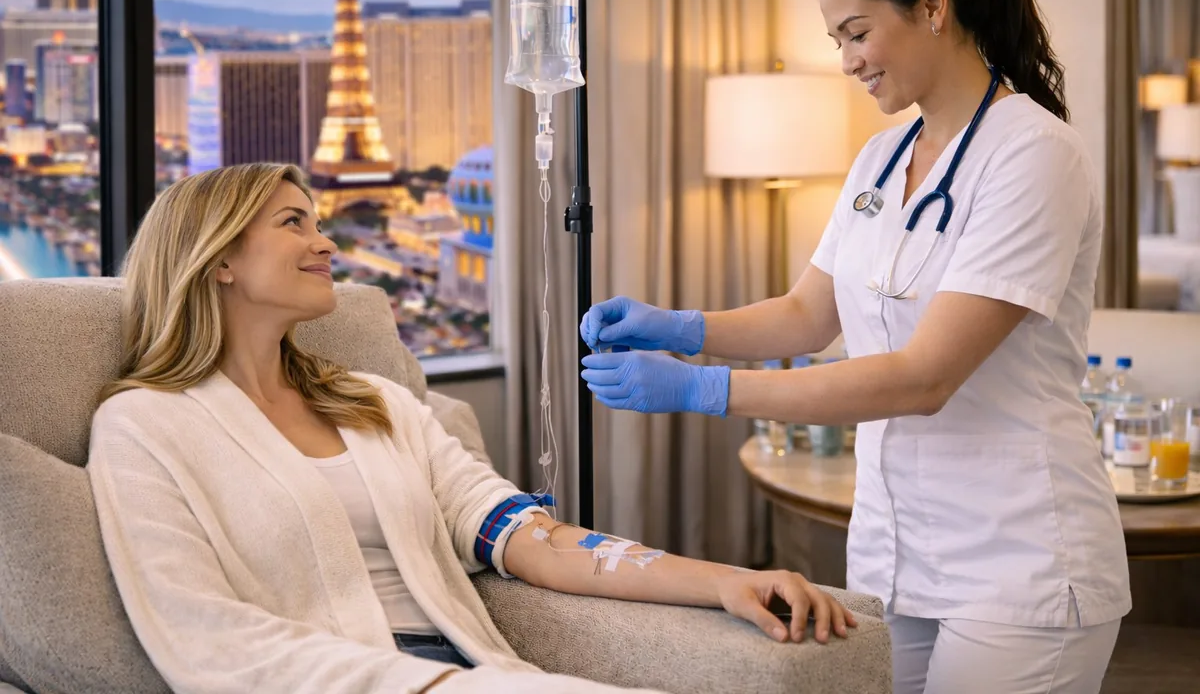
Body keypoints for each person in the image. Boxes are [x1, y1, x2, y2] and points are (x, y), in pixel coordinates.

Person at [579, 0, 1130, 694]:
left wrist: (704, 388)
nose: (846, 62)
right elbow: (809, 314)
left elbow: (923, 378)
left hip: (1019, 558)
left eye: (856, 32)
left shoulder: (1033, 154)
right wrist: (682, 326)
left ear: (932, 5)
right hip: (894, 554)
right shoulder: (883, 156)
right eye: (836, 40)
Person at [86, 162, 854, 694]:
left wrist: (728, 581)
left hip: (474, 670)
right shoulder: (144, 427)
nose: (326, 243)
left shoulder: (374, 404)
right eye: (296, 224)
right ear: (218, 258)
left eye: (320, 223)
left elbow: (539, 542)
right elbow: (206, 638)